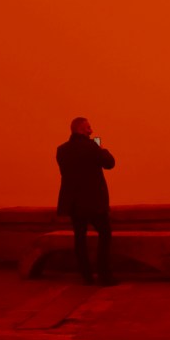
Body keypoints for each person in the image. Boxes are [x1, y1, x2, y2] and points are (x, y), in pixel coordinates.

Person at [57, 117, 118, 286]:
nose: (91, 131)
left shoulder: (61, 150)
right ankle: (104, 274)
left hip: (73, 203)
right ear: (81, 130)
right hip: (94, 201)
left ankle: (86, 275)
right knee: (105, 233)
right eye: (88, 128)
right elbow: (110, 163)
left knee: (79, 237)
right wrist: (101, 147)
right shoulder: (92, 146)